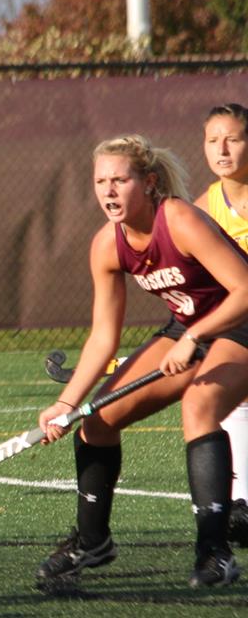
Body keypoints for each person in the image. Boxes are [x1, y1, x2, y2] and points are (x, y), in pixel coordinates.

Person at [37, 134, 248, 590]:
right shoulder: (106, 246)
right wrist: (66, 403)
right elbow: (103, 338)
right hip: (190, 329)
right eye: (100, 182)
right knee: (98, 420)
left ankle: (216, 554)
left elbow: (246, 290)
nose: (108, 191)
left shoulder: (180, 219)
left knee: (200, 407)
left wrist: (194, 335)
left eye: (120, 180)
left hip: (240, 325)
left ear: (149, 182)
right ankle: (92, 542)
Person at [194, 103, 248, 544]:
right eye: (214, 140)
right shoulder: (203, 210)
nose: (223, 149)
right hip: (240, 328)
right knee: (226, 397)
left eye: (233, 138)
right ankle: (240, 506)